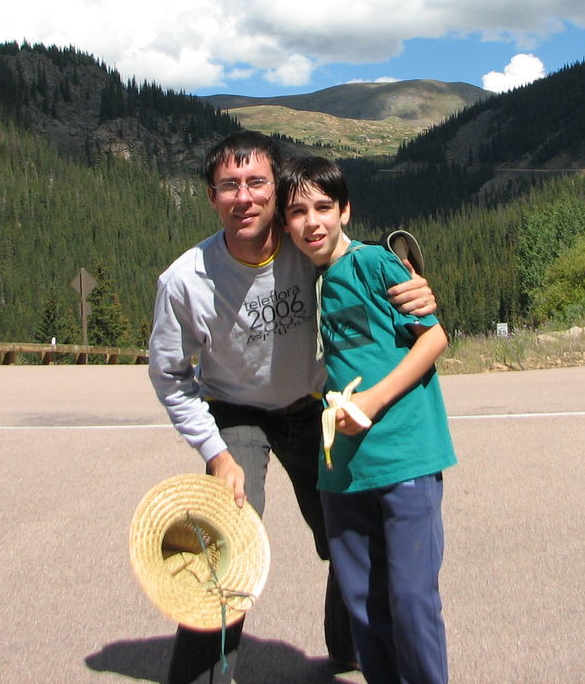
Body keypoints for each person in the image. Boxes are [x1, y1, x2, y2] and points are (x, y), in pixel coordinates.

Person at [148, 131, 436, 684]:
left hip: (310, 403)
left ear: (275, 193)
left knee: (345, 527)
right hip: (235, 411)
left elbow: (358, 252)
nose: (244, 197)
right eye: (229, 186)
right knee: (228, 536)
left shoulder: (302, 246)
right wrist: (215, 452)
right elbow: (170, 376)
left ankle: (351, 643)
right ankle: (197, 674)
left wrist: (409, 273)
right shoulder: (185, 281)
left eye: (257, 182)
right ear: (211, 197)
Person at [278, 156, 456, 684]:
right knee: (362, 604)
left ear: (345, 211)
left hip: (405, 456)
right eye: (297, 212)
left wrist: (373, 401)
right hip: (341, 470)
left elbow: (435, 337)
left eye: (323, 207)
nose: (312, 222)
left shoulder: (376, 263)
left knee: (410, 599)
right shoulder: (300, 284)